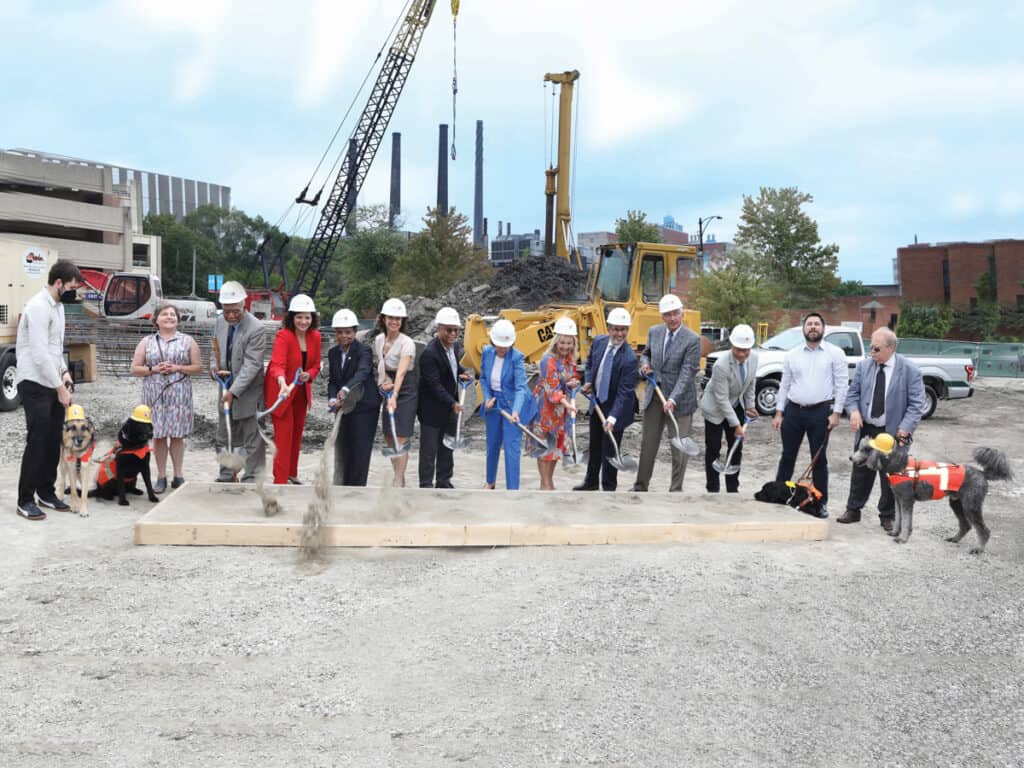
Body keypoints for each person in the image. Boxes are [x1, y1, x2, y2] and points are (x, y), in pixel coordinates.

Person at [838, 327, 926, 531]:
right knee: (860, 470)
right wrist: (853, 411)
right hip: (868, 429)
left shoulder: (910, 370)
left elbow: (916, 404)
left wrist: (905, 429)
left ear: (891, 348)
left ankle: (887, 515)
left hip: (893, 432)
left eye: (876, 348)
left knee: (891, 476)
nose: (872, 352)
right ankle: (853, 510)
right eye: (871, 347)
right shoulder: (864, 366)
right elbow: (852, 395)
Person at [15, 259, 83, 520]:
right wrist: (59, 387)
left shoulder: (59, 307)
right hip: (34, 381)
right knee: (38, 439)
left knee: (54, 438)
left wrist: (64, 373)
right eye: (72, 286)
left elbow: (55, 349)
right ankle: (25, 499)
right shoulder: (38, 307)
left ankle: (46, 491)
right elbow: (40, 353)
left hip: (53, 378)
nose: (74, 291)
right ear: (59, 283)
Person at [772, 312, 849, 518]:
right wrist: (779, 412)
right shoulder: (792, 355)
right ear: (803, 328)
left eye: (816, 324)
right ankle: (779, 497)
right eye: (809, 324)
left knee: (819, 460)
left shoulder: (835, 353)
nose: (813, 327)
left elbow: (842, 384)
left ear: (823, 329)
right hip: (793, 411)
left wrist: (837, 413)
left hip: (820, 412)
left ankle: (820, 502)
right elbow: (784, 385)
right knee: (787, 456)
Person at [632, 294, 702, 492]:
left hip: (680, 401)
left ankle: (675, 490)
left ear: (682, 313)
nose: (672, 318)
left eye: (675, 314)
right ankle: (640, 486)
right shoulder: (654, 332)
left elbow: (687, 372)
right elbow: (646, 354)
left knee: (679, 447)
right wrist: (645, 366)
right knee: (648, 444)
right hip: (654, 395)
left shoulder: (692, 339)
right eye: (668, 315)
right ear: (662, 316)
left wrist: (673, 399)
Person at [130, 303, 203, 493]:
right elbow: (135, 368)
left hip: (179, 395)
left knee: (177, 436)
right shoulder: (146, 342)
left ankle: (178, 476)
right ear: (156, 320)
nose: (169, 317)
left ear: (178, 319)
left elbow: (198, 368)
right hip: (154, 395)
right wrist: (153, 369)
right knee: (159, 436)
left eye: (173, 314)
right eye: (165, 314)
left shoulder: (188, 341)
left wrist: (178, 368)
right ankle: (161, 476)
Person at [575, 307, 638, 492]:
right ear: (609, 328)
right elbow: (590, 364)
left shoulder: (629, 358)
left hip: (617, 410)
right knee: (594, 445)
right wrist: (588, 382)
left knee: (610, 450)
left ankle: (609, 488)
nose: (620, 333)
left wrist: (612, 417)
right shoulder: (599, 342)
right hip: (597, 403)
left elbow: (625, 392)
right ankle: (591, 482)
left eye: (624, 329)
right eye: (616, 329)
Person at [212, 281, 267, 482]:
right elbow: (216, 348)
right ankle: (227, 474)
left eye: (236, 311)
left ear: (244, 305)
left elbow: (252, 364)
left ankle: (253, 477)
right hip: (225, 388)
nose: (231, 315)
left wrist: (233, 392)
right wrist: (215, 368)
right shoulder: (219, 321)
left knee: (252, 437)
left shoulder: (256, 328)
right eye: (227, 311)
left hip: (248, 392)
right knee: (225, 434)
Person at [264, 294, 322, 485]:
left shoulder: (315, 337)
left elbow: (315, 365)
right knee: (283, 436)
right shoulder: (284, 336)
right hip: (282, 392)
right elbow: (277, 365)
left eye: (307, 317)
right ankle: (279, 480)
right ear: (291, 317)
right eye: (299, 317)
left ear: (312, 318)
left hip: (301, 392)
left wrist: (309, 375)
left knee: (296, 434)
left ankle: (291, 473)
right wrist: (282, 383)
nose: (303, 321)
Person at [699, 323, 759, 493]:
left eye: (746, 350)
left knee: (736, 446)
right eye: (738, 349)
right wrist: (737, 426)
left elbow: (750, 383)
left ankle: (733, 489)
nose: (742, 354)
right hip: (715, 408)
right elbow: (721, 399)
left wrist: (750, 406)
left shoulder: (754, 359)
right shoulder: (721, 365)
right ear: (732, 345)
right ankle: (713, 488)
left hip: (734, 403)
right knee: (713, 448)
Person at [417, 307, 472, 488]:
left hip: (449, 406)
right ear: (439, 328)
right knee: (429, 449)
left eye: (456, 330)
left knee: (447, 446)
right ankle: (425, 484)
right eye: (449, 329)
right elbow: (435, 385)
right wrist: (453, 403)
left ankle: (444, 480)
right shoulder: (429, 354)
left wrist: (462, 373)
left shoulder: (454, 347)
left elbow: (453, 367)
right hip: (431, 409)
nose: (453, 333)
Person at [327, 308, 379, 486]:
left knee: (360, 449)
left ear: (355, 332)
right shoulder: (333, 353)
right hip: (343, 407)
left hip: (364, 406)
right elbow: (333, 380)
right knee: (343, 448)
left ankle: (357, 488)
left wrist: (346, 388)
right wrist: (333, 397)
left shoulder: (364, 351)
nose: (344, 336)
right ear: (335, 333)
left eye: (348, 332)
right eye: (340, 332)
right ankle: (342, 484)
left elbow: (363, 372)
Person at [480, 319, 533, 490]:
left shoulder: (516, 357)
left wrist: (516, 411)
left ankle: (512, 489)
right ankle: (490, 481)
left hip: (512, 404)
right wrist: (487, 397)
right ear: (492, 341)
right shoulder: (487, 353)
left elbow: (520, 388)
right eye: (499, 345)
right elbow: (482, 378)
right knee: (492, 443)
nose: (503, 348)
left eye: (506, 345)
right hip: (494, 404)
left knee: (511, 447)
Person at [532, 316, 580, 491]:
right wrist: (568, 404)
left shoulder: (570, 361)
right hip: (546, 411)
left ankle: (548, 482)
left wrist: (574, 383)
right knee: (545, 447)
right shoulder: (548, 360)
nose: (565, 347)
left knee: (554, 449)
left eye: (569, 343)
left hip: (560, 413)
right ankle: (546, 485)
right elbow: (551, 388)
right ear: (555, 342)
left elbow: (572, 378)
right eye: (562, 343)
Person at [375, 297, 417, 487]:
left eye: (398, 319)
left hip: (405, 389)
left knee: (400, 435)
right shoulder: (379, 340)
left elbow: (401, 372)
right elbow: (383, 366)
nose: (394, 322)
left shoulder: (407, 343)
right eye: (391, 318)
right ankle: (399, 474)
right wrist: (385, 382)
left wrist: (396, 395)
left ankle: (398, 480)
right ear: (384, 319)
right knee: (389, 436)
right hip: (388, 386)